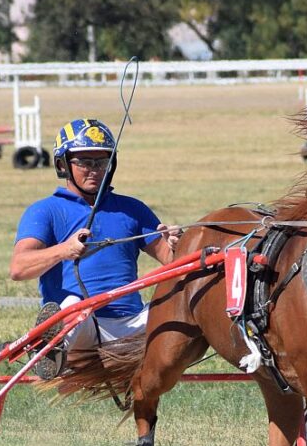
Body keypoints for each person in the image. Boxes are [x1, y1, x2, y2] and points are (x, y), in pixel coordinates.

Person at [10, 117, 182, 379]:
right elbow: (19, 268)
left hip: (133, 325)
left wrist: (177, 244)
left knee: (181, 302)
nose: (94, 170)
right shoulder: (45, 211)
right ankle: (52, 350)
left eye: (101, 162)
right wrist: (64, 250)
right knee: (71, 305)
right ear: (62, 164)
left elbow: (173, 264)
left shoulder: (132, 209)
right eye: (84, 162)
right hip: (81, 327)